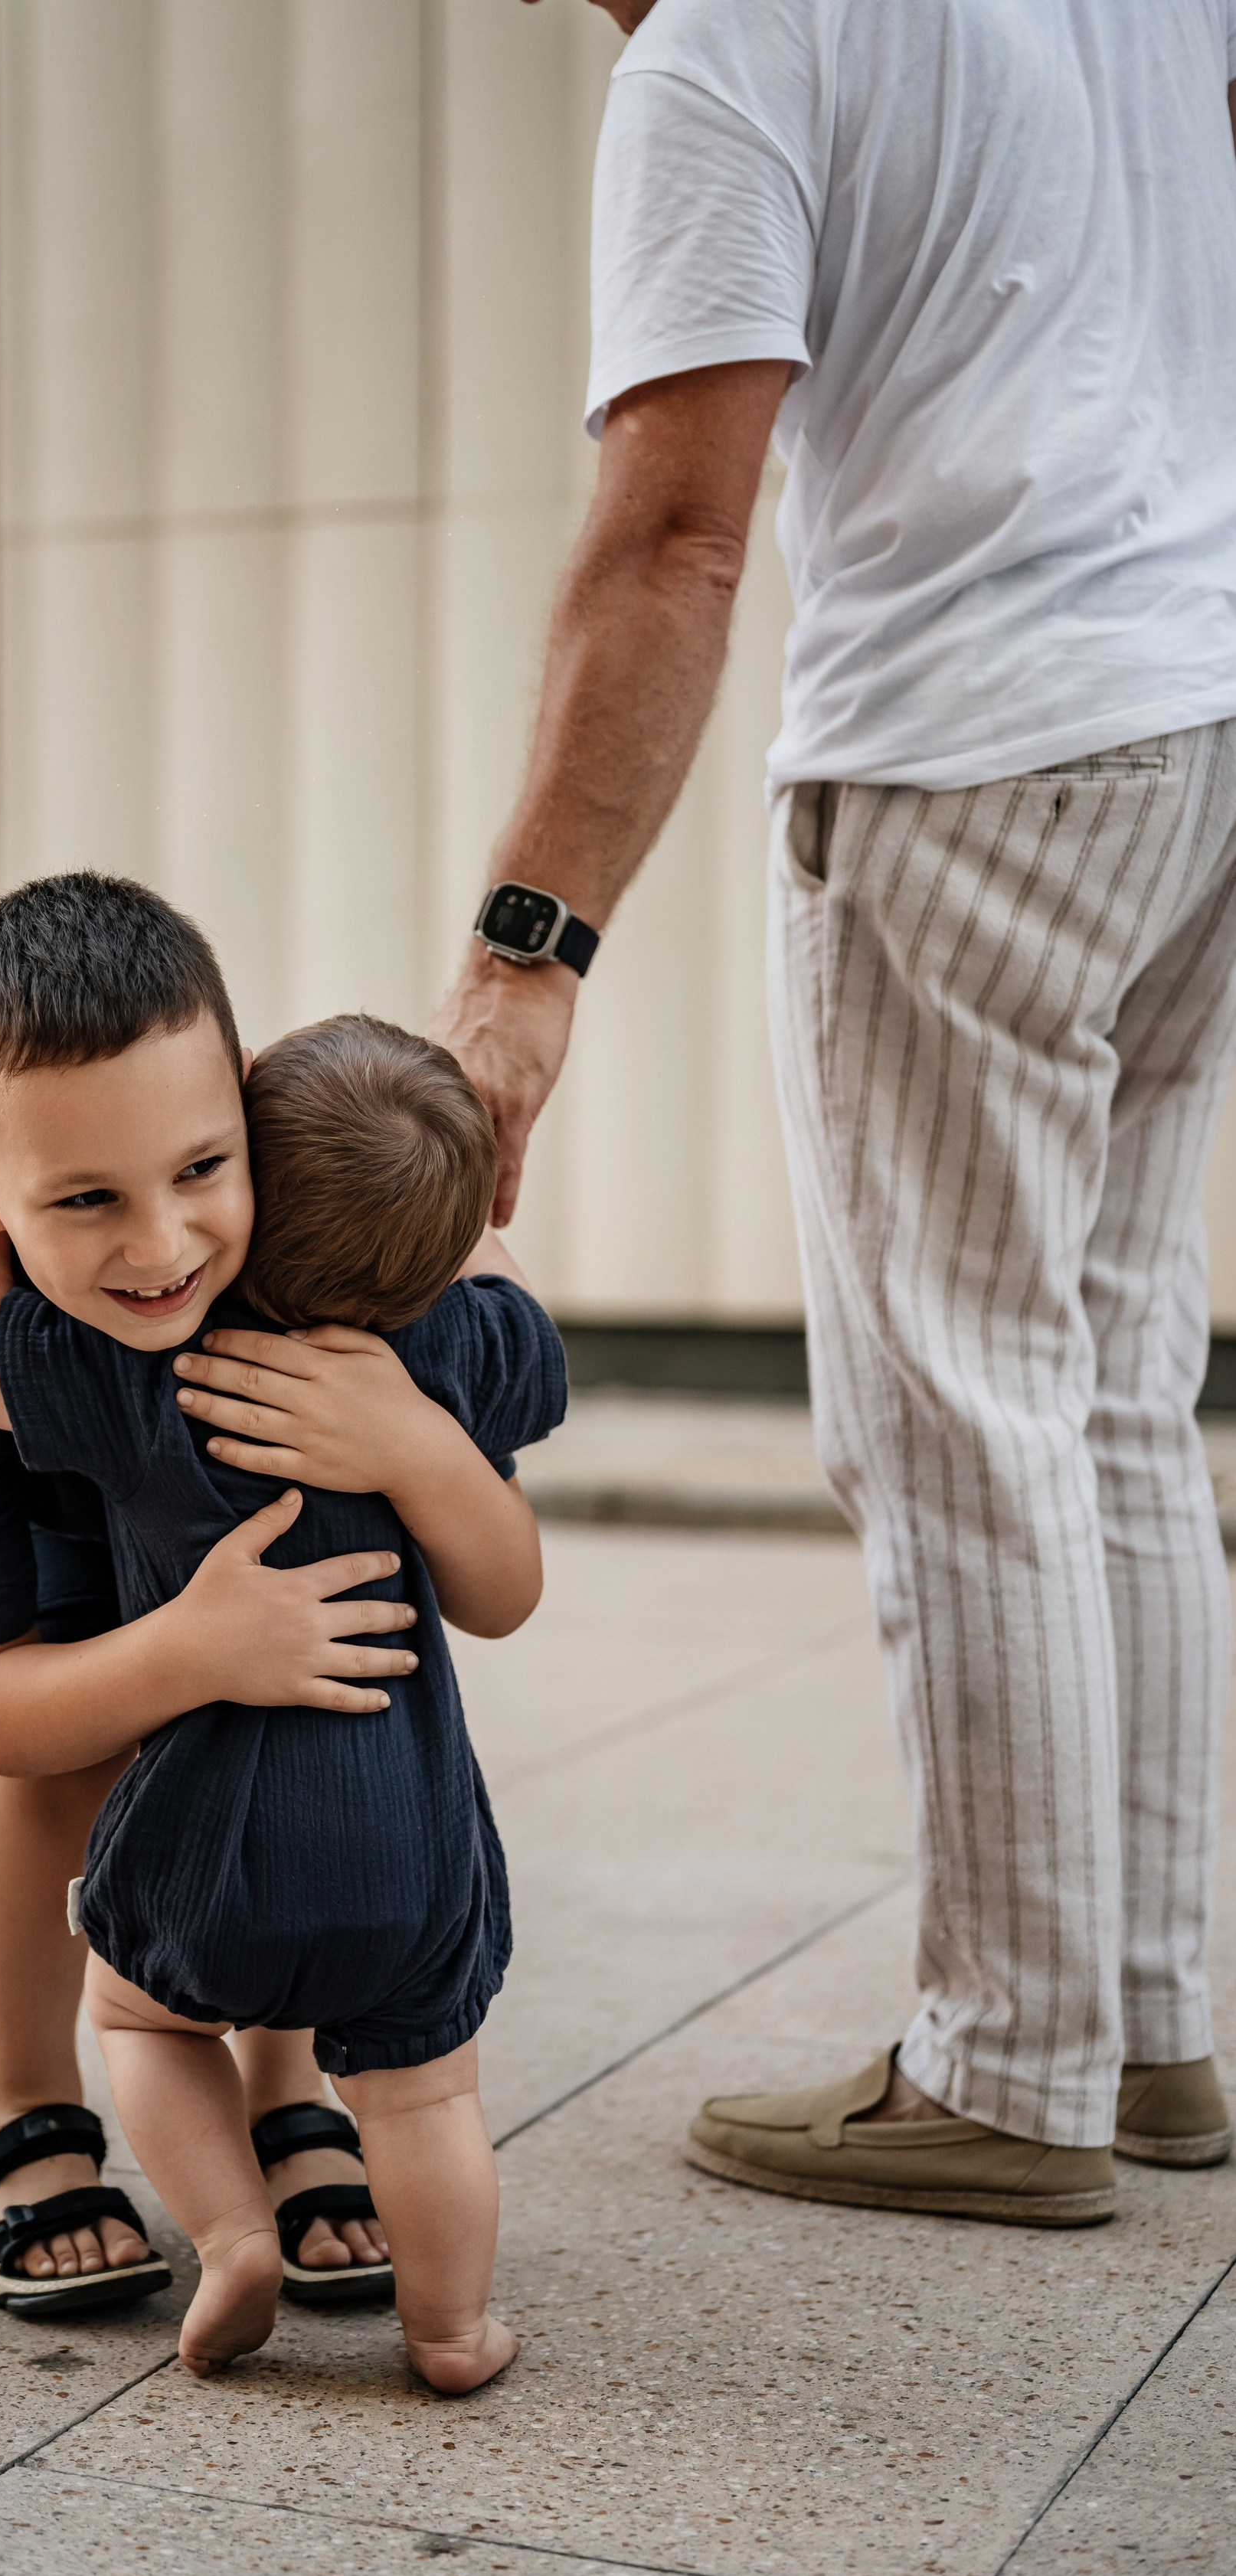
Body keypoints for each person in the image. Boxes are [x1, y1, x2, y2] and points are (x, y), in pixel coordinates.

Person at [430, 0, 1236, 2221]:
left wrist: (520, 960)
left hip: (972, 745)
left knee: (951, 1399)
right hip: (1198, 713)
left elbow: (672, 538)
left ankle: (1006, 2063)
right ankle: (1143, 2026)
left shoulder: (724, 48)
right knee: (1106, 1381)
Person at [0, 919, 566, 2390]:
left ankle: (228, 2239)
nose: (159, 1244)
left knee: (141, 2018)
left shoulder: (149, 1370)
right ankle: (453, 2331)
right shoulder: (457, 1352)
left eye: (205, 1170)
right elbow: (503, 1296)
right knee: (422, 2100)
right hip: (410, 1855)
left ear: (253, 1174)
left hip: (202, 1838)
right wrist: (418, 1404)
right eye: (94, 1192)